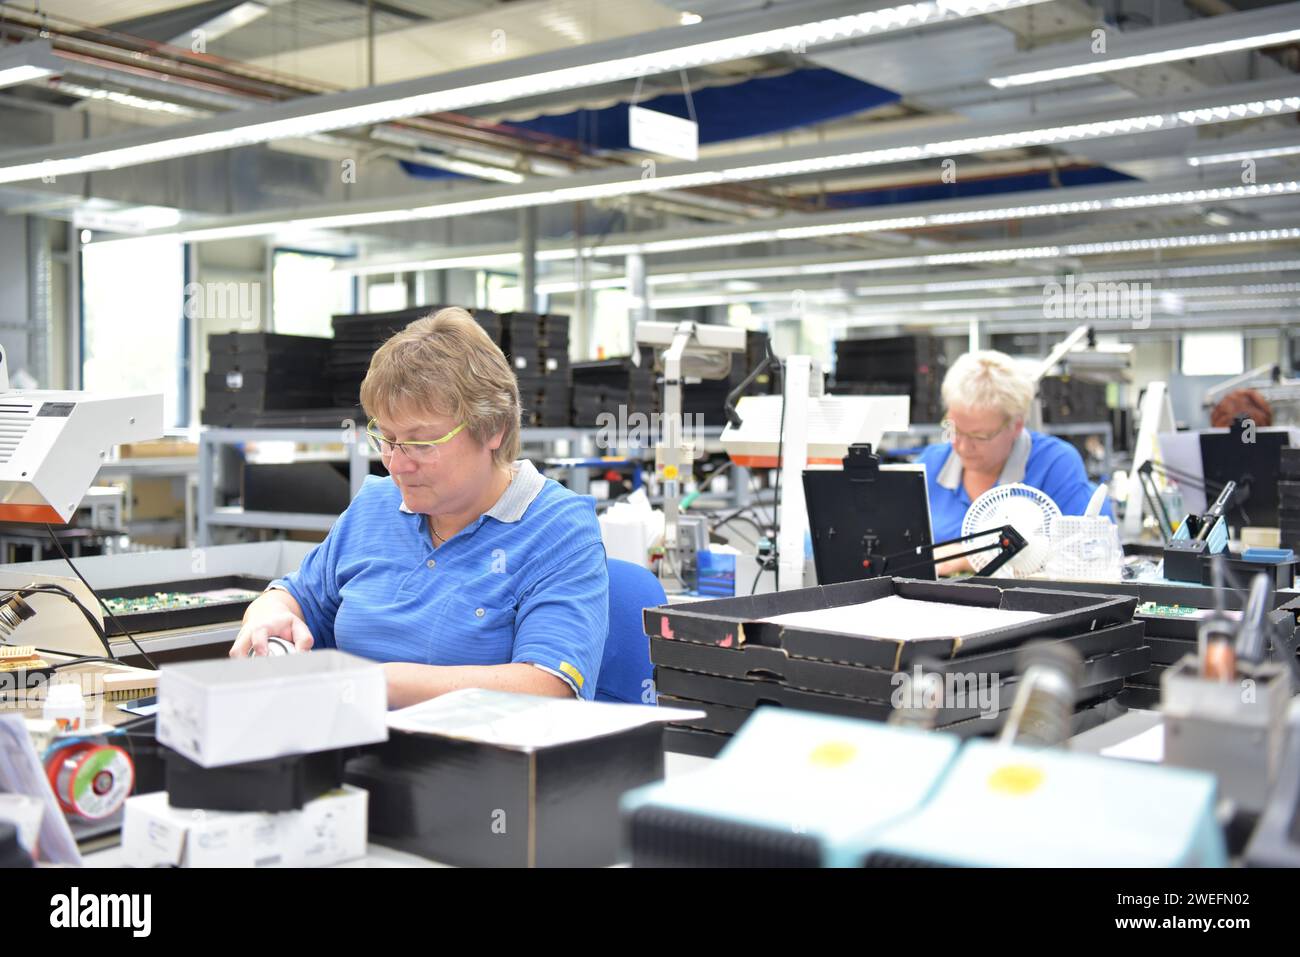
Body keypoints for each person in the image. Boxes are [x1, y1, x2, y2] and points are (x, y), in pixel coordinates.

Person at [229, 308, 609, 709]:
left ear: (494, 427)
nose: (396, 463)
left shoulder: (558, 529)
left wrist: (376, 682)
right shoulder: (376, 505)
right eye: (387, 438)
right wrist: (266, 614)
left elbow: (548, 686)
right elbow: (295, 595)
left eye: (422, 443)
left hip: (473, 759)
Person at [915, 350, 1112, 574]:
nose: (962, 446)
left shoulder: (1054, 465)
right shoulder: (930, 465)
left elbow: (1079, 557)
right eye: (955, 430)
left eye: (980, 436)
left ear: (1016, 426)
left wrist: (966, 558)